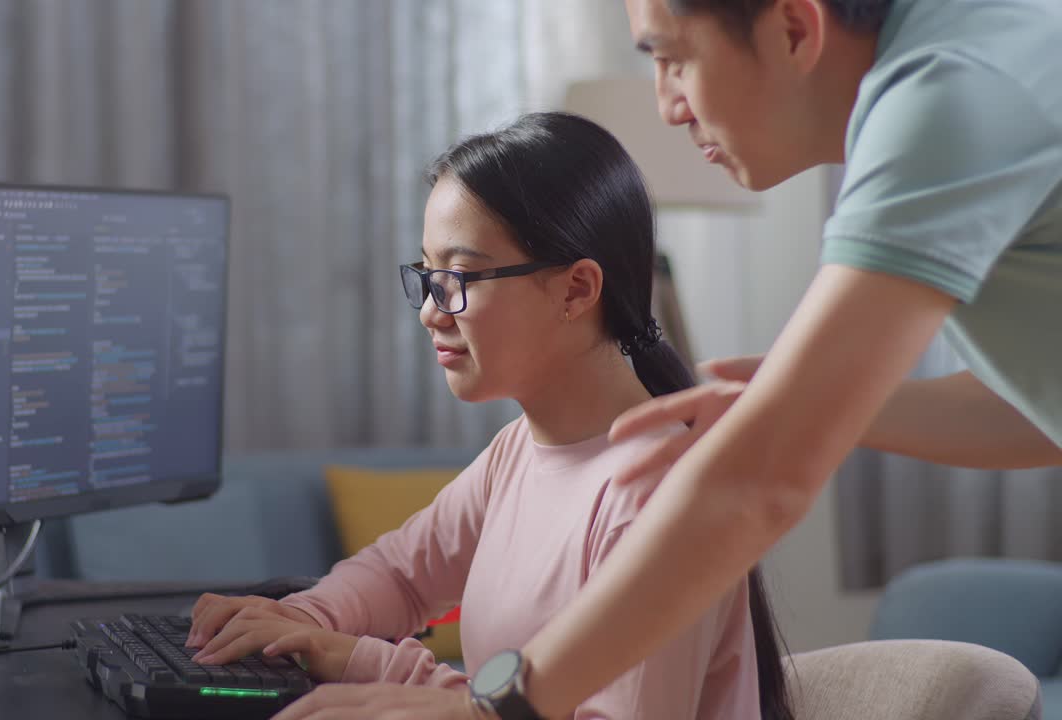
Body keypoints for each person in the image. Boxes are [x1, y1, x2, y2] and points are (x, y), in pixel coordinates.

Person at [270, 0, 1062, 718]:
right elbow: (1035, 413)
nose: (666, 104)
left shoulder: (946, 98)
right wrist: (805, 407)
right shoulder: (983, 53)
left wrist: (492, 707)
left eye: (671, 56)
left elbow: (759, 486)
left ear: (794, 26)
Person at [185, 112, 795, 720]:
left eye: (460, 277)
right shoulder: (517, 453)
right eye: (427, 275)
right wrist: (302, 619)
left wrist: (363, 662)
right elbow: (402, 573)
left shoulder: (652, 491)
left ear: (577, 290)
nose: (430, 310)